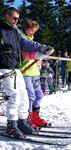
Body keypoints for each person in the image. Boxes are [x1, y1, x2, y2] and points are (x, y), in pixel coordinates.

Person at [0, 7, 54, 139]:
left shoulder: (14, 30)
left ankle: (22, 121)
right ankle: (11, 125)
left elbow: (25, 42)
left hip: (15, 66)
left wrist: (41, 48)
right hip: (4, 67)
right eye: (14, 18)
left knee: (24, 95)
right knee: (14, 95)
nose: (16, 21)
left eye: (18, 18)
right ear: (6, 16)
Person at [19, 19, 52, 128]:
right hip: (25, 72)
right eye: (31, 30)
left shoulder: (33, 41)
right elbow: (27, 50)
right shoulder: (22, 39)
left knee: (39, 95)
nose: (33, 32)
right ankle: (26, 118)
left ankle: (35, 116)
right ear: (26, 28)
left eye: (35, 31)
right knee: (29, 96)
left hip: (34, 72)